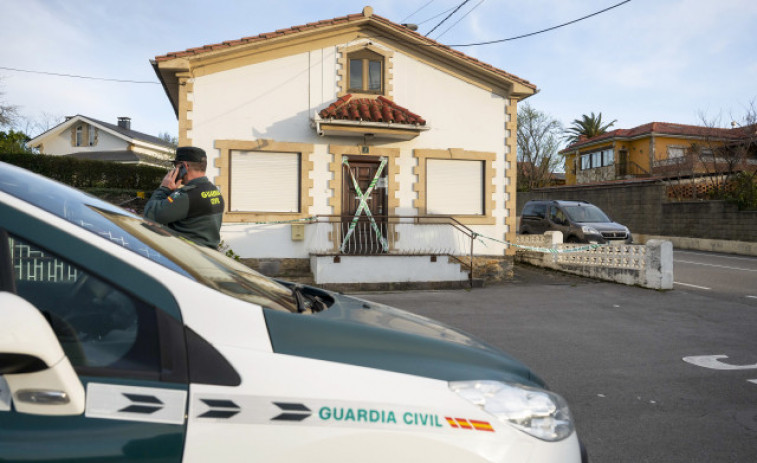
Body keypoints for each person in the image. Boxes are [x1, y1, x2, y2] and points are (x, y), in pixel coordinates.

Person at [144, 146, 225, 248]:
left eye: (176, 165)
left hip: (187, 255)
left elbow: (150, 215)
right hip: (207, 255)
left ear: (184, 166)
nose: (175, 170)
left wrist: (164, 188)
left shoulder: (187, 195)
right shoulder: (214, 191)